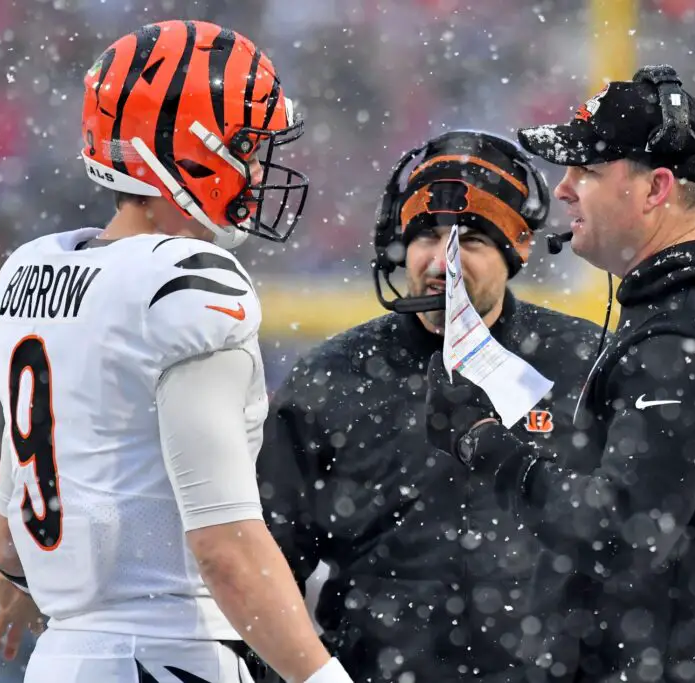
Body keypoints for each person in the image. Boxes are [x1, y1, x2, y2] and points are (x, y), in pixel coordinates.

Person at [0, 20, 353, 683]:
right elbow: (224, 547)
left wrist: (45, 582)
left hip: (62, 657)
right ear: (191, 150)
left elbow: (8, 538)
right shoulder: (184, 285)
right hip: (169, 655)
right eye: (247, 145)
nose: (259, 167)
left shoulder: (31, 270)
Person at [423, 66, 695, 683]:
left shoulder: (684, 338)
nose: (564, 191)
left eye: (586, 172)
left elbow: (620, 535)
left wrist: (486, 444)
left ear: (656, 188)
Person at [256, 130, 605, 683]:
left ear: (517, 249)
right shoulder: (333, 377)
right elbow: (268, 566)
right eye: (427, 235)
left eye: (469, 240)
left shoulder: (583, 364)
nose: (442, 260)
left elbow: (630, 545)